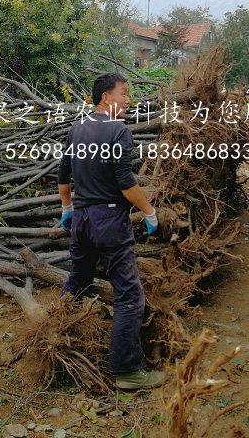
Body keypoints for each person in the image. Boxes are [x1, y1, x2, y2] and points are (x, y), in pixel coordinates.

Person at [57, 73, 164, 390]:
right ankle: (127, 371)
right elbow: (125, 181)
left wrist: (67, 208)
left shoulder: (77, 129)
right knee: (129, 294)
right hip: (109, 220)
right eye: (124, 93)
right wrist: (149, 210)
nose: (128, 99)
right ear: (106, 97)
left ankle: (55, 335)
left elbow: (64, 173)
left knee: (78, 279)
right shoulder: (118, 130)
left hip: (83, 220)